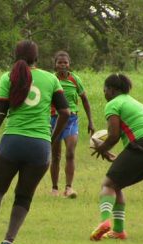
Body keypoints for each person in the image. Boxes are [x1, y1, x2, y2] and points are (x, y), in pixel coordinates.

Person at [0, 40, 70, 244]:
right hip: (39, 147)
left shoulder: (8, 77)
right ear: (37, 57)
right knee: (24, 196)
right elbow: (65, 113)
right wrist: (50, 139)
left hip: (12, 143)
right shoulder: (51, 79)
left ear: (15, 56)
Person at [90, 74, 143, 241]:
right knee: (116, 185)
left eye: (105, 89)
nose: (104, 93)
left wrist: (102, 149)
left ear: (112, 90)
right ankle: (118, 231)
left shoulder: (113, 104)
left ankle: (104, 223)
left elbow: (114, 135)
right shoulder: (135, 102)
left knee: (108, 184)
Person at [50, 51, 95, 198]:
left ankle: (69, 188)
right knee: (56, 156)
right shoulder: (51, 80)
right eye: (60, 62)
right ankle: (55, 188)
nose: (63, 65)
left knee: (70, 153)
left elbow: (85, 100)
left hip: (71, 120)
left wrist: (91, 121)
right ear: (55, 65)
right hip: (54, 119)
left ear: (69, 64)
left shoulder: (75, 79)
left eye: (65, 62)